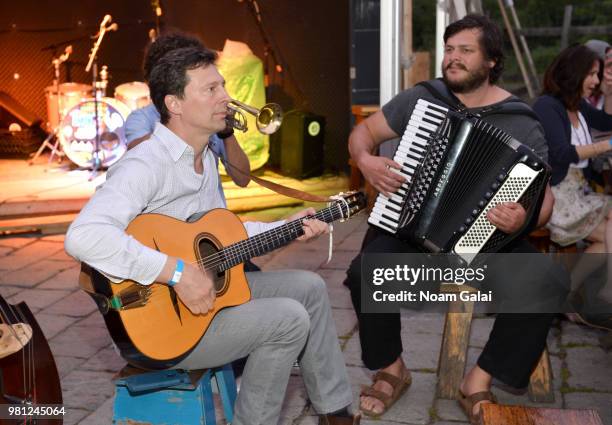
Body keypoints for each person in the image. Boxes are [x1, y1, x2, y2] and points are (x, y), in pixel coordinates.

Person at [65, 45, 360, 425]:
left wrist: (290, 225)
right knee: (287, 318)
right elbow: (83, 236)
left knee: (310, 288)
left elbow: (224, 234)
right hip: (160, 326)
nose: (226, 97)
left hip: (200, 301)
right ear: (175, 103)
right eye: (211, 90)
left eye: (222, 86)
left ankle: (335, 413)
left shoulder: (202, 154)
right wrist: (176, 273)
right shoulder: (145, 164)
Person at [345, 14, 564, 424]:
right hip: (414, 234)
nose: (452, 59)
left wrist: (522, 220)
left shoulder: (523, 120)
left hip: (484, 246)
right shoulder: (422, 99)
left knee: (547, 279)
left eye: (466, 51)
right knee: (365, 270)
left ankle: (478, 380)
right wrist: (366, 161)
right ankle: (392, 370)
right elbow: (364, 134)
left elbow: (545, 201)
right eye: (449, 50)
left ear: (492, 61)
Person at [533, 45, 612, 331]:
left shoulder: (577, 106)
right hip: (557, 197)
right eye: (592, 74)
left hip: (581, 193)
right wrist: (608, 145)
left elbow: (608, 122)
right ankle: (590, 294)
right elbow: (563, 154)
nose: (594, 80)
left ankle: (567, 296)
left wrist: (609, 89)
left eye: (598, 74)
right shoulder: (548, 106)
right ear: (574, 72)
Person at [124, 31, 251, 188]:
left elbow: (243, 179)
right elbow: (136, 159)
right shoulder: (141, 118)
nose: (225, 96)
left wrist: (227, 134)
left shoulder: (208, 118)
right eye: (210, 88)